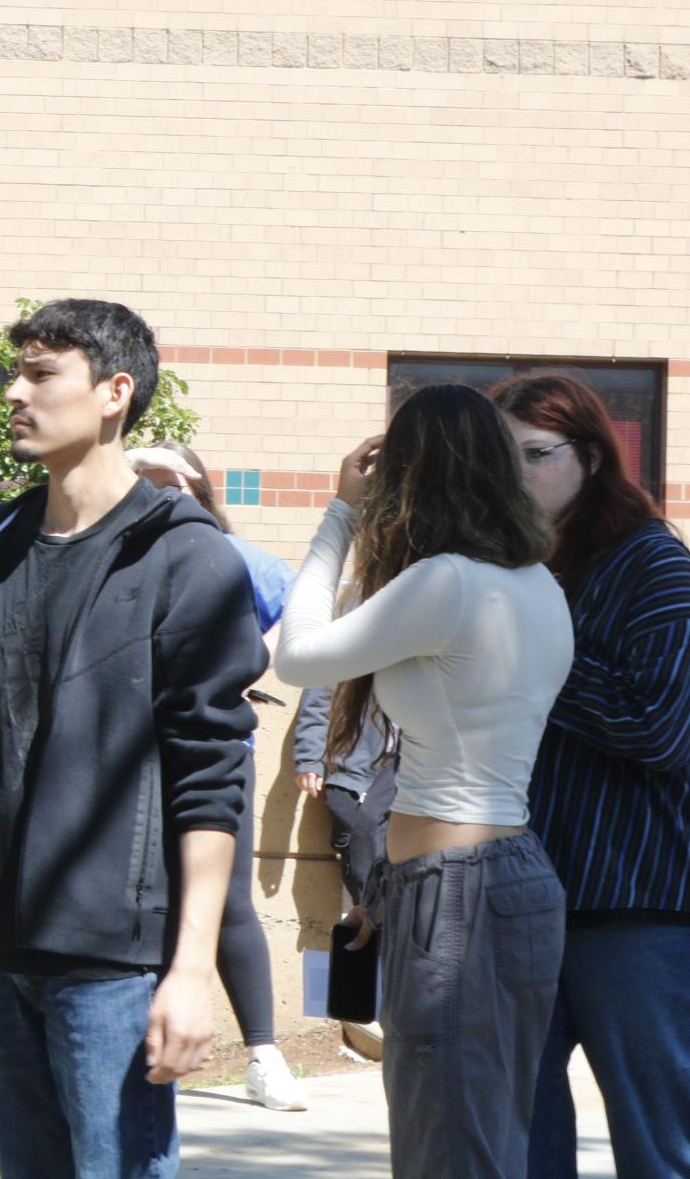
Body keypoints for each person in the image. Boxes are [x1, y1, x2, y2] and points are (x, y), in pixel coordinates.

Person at [0, 300, 266, 1179]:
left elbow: (211, 777)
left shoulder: (186, 557)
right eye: (14, 373)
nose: (13, 395)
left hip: (113, 962)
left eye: (39, 374)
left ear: (113, 392)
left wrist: (188, 971)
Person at [275, 384, 573, 1178]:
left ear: (409, 473)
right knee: (487, 1140)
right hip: (501, 880)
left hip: (456, 894)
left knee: (445, 1149)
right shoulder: (535, 583)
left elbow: (297, 655)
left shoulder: (446, 581)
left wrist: (338, 516)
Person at [487, 372, 690, 1179]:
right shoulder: (519, 572)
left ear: (593, 457)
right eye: (499, 460)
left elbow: (659, 728)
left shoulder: (655, 565)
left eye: (533, 455)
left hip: (636, 904)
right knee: (521, 1140)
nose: (515, 477)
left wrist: (535, 650)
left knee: (660, 1144)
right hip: (527, 894)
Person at [128, 440, 307, 1113]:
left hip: (212, 750)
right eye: (140, 478)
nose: (152, 491)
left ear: (196, 487)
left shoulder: (230, 557)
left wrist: (247, 664)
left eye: (165, 480)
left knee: (227, 899)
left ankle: (262, 1053)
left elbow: (301, 614)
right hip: (128, 757)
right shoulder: (117, 550)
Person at [291, 683, 396, 919]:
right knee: (366, 884)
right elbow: (318, 694)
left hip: (413, 778)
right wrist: (309, 757)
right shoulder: (344, 648)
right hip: (356, 776)